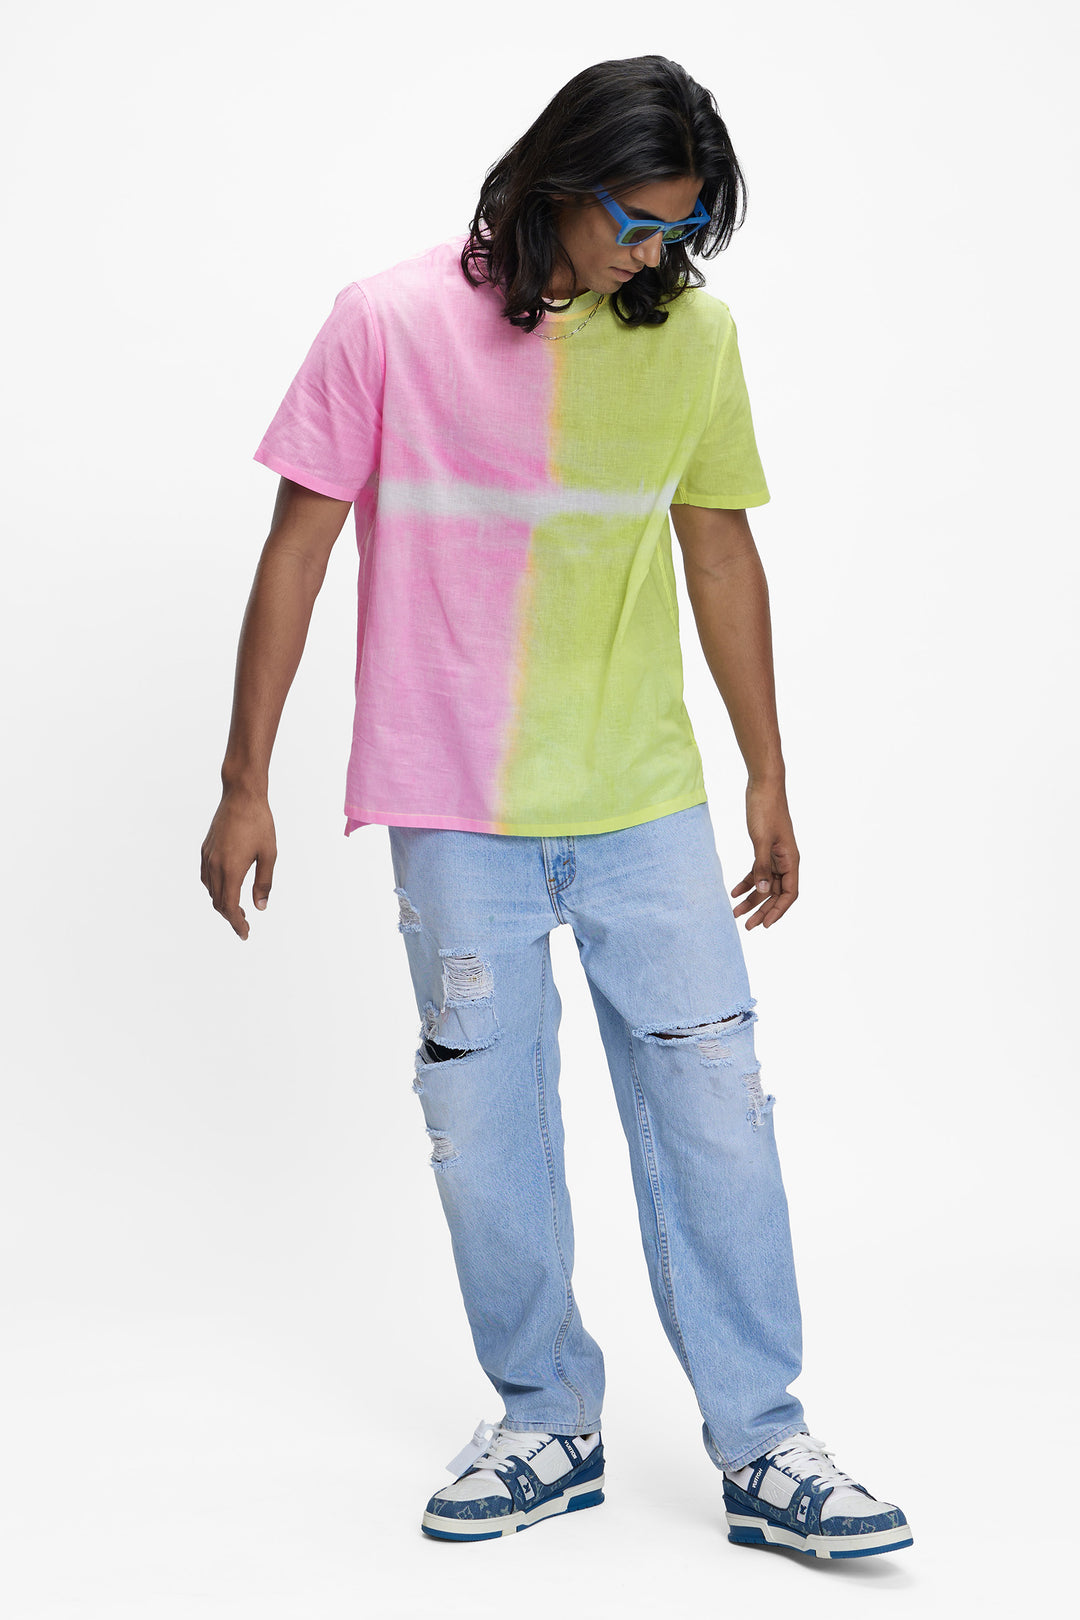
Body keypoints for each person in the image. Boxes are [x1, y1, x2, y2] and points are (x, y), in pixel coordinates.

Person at [200, 54, 912, 1559]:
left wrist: (769, 769)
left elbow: (719, 550)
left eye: (684, 228)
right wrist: (242, 779)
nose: (657, 253)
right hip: (453, 806)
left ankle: (766, 1439)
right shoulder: (388, 321)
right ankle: (545, 1417)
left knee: (716, 1112)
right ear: (554, 181)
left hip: (642, 796)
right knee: (486, 1125)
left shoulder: (696, 338)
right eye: (635, 221)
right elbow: (296, 548)